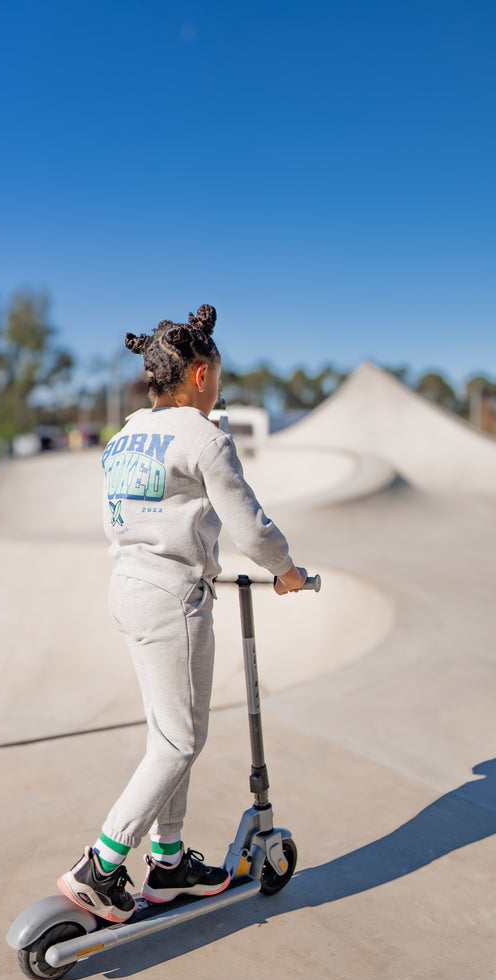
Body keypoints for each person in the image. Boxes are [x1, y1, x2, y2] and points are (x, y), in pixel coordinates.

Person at [57, 304, 307, 922]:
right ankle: (102, 864)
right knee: (180, 740)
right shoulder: (203, 436)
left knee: (170, 734)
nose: (218, 388)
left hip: (128, 585)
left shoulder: (123, 436)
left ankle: (168, 863)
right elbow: (251, 526)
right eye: (217, 377)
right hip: (173, 595)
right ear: (200, 375)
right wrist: (287, 571)